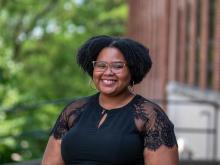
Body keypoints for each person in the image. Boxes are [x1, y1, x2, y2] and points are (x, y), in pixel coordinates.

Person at [41, 35, 179, 165]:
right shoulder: (74, 110)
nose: (108, 72)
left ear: (132, 71)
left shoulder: (151, 116)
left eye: (118, 66)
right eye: (101, 65)